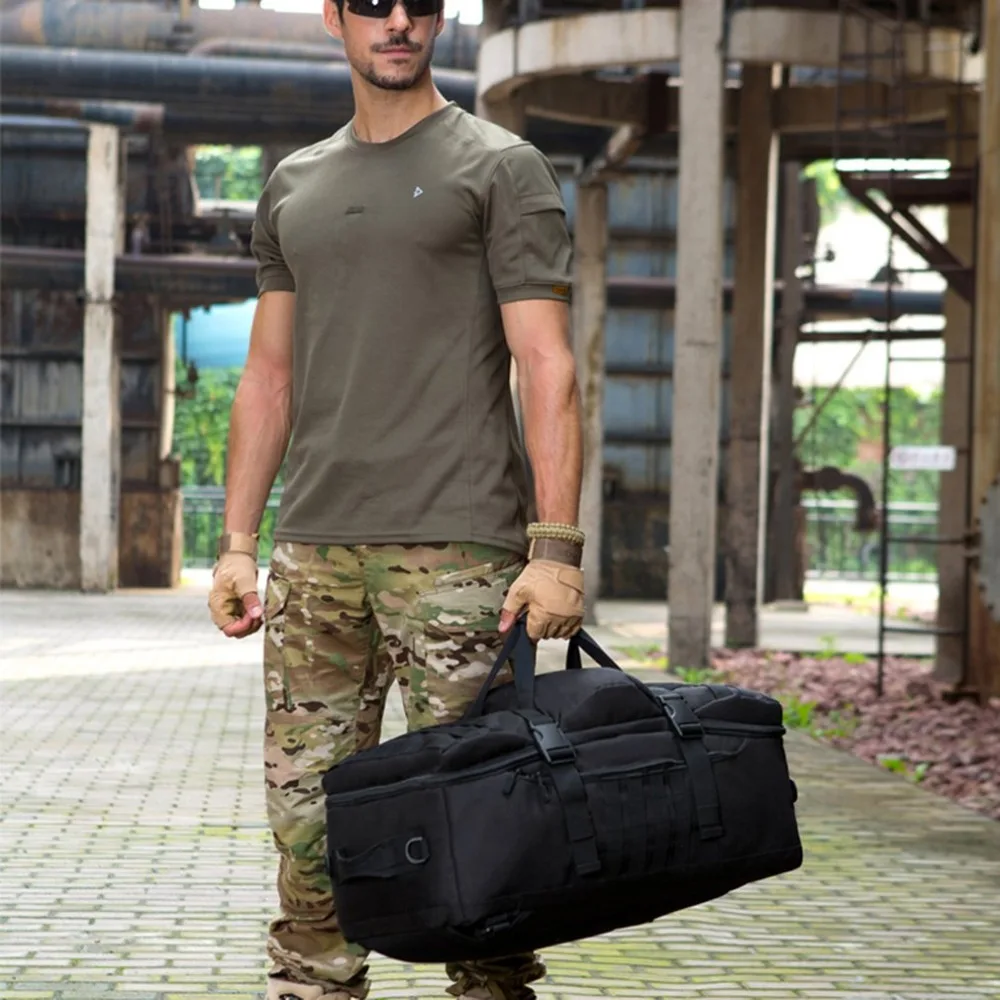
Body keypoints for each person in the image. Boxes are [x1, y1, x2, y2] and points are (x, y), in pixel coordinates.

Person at [207, 0, 587, 997]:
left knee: (482, 821)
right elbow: (268, 376)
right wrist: (238, 542)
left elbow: (546, 363)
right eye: (373, 3)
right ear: (334, 17)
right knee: (306, 822)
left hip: (459, 557)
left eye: (420, 3)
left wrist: (555, 549)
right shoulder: (294, 183)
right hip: (314, 555)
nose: (399, 21)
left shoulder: (500, 168)